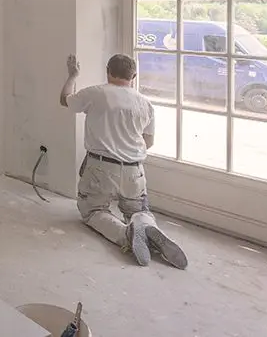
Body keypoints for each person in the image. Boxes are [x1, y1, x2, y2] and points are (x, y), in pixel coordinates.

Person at [60, 53, 187, 269]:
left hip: (101, 167)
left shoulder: (96, 93)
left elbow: (65, 100)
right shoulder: (145, 103)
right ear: (134, 76)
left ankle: (126, 233)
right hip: (134, 171)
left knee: (93, 211)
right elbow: (149, 140)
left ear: (108, 71)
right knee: (139, 210)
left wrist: (73, 75)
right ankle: (145, 226)